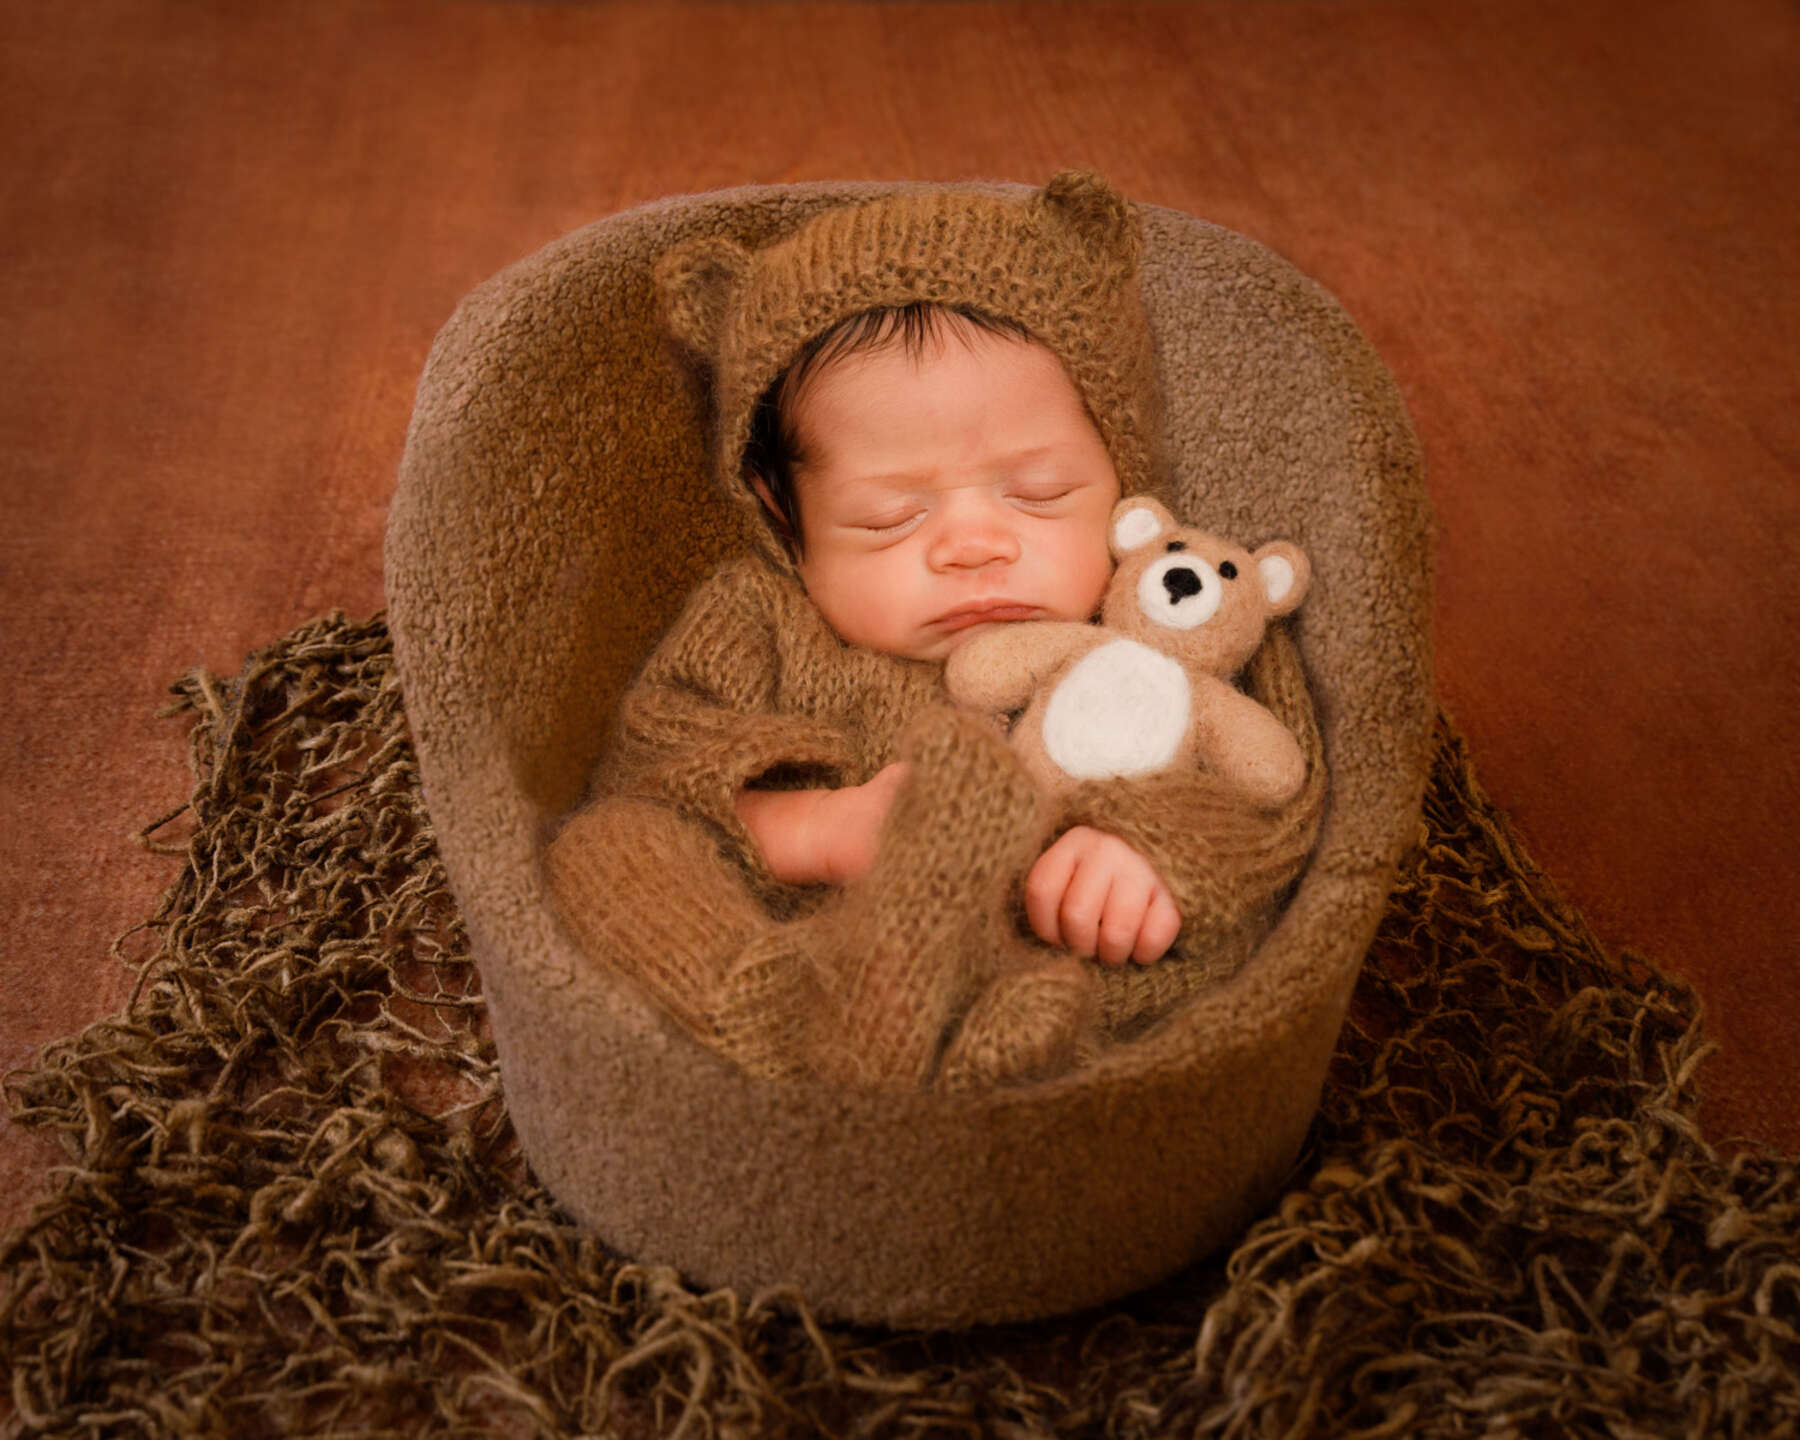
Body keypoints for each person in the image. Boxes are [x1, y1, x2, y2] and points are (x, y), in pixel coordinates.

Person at [545, 172, 1322, 1090]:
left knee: (1116, 983)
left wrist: (1148, 849)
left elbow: (1273, 796)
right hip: (803, 963)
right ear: (785, 518)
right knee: (605, 848)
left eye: (1039, 496)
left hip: (1045, 977)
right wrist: (819, 827)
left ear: (1122, 480)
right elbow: (653, 770)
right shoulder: (757, 619)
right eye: (887, 517)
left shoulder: (1160, 624)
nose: (973, 546)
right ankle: (785, 1023)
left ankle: (979, 1048)